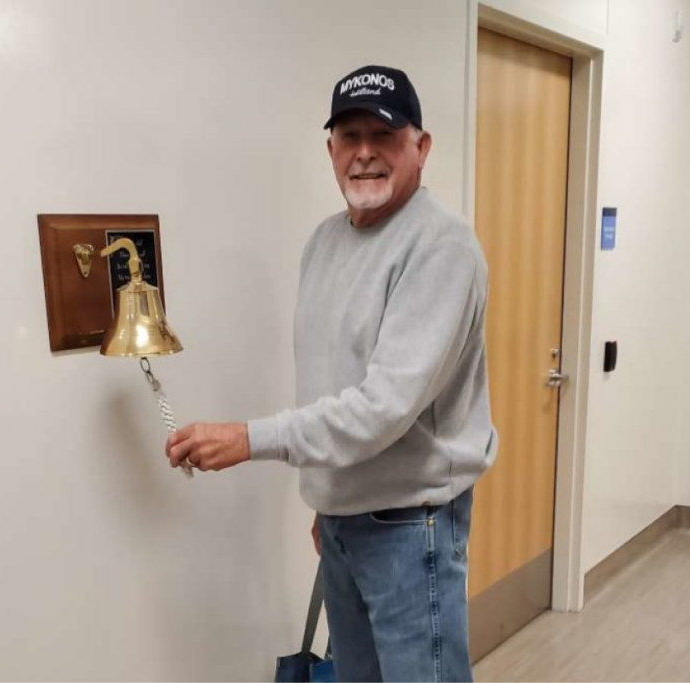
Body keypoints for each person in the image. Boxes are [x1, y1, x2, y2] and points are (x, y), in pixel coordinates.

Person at [165, 64, 496, 682]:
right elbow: (328, 382)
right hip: (344, 520)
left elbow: (382, 409)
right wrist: (329, 498)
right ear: (330, 150)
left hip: (409, 523)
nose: (365, 153)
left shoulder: (440, 250)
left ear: (421, 148)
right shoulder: (323, 242)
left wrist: (247, 438)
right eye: (350, 137)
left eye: (384, 135)